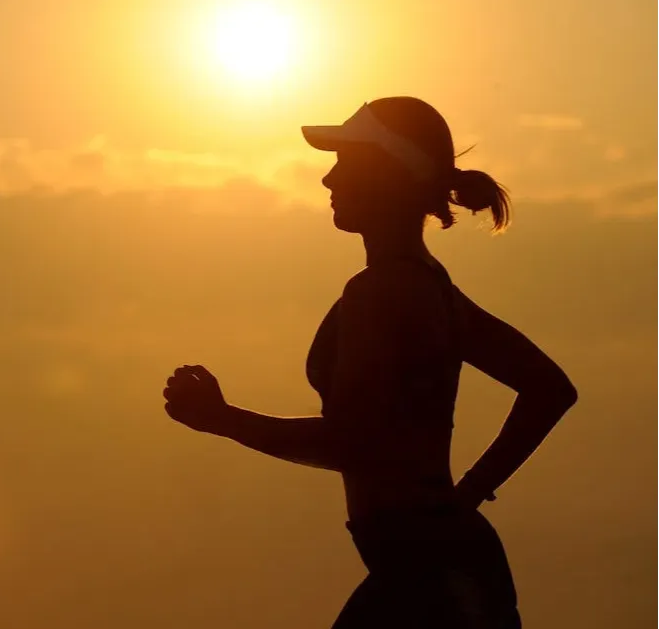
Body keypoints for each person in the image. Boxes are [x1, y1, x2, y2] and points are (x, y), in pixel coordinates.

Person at [161, 97, 578, 628]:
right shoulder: (431, 286)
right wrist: (464, 496)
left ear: (388, 174)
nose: (327, 181)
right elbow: (550, 388)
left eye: (345, 163)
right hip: (439, 568)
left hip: (429, 583)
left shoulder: (383, 292)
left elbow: (351, 443)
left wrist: (224, 420)